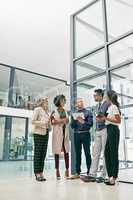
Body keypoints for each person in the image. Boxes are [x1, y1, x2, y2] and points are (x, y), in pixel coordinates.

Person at [89, 89, 110, 183]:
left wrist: (103, 118)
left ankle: (103, 175)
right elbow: (96, 119)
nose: (94, 97)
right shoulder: (96, 106)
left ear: (100, 95)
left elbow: (108, 117)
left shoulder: (107, 104)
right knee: (95, 153)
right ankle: (92, 174)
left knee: (105, 153)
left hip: (105, 129)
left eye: (95, 95)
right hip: (97, 130)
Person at [70, 98, 93, 179]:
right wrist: (74, 120)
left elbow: (90, 124)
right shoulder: (74, 113)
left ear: (83, 103)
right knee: (77, 154)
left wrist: (83, 121)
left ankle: (90, 172)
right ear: (76, 104)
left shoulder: (88, 112)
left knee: (87, 153)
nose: (79, 103)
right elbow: (72, 126)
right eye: (78, 102)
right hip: (76, 135)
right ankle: (77, 172)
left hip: (86, 134)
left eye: (80, 101)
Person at [102, 90, 121, 185]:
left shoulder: (114, 107)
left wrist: (105, 118)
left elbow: (118, 121)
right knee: (107, 152)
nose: (105, 98)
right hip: (109, 129)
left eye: (106, 96)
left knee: (113, 153)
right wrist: (103, 118)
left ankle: (114, 177)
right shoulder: (110, 108)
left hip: (113, 130)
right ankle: (110, 176)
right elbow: (109, 119)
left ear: (109, 97)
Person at [51, 95, 69, 180]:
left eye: (64, 100)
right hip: (58, 133)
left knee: (66, 151)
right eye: (62, 100)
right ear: (58, 102)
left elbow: (67, 120)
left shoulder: (66, 111)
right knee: (57, 152)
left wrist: (65, 121)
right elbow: (52, 121)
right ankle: (57, 170)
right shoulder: (54, 111)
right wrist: (62, 121)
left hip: (65, 132)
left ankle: (67, 169)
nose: (64, 102)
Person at [32, 97, 50, 181]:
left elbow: (47, 123)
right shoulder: (37, 109)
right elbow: (33, 121)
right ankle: (37, 173)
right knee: (38, 154)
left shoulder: (46, 112)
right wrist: (43, 123)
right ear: (42, 102)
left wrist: (49, 125)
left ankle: (41, 172)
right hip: (38, 134)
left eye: (47, 101)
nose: (47, 103)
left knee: (43, 154)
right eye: (46, 101)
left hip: (46, 133)